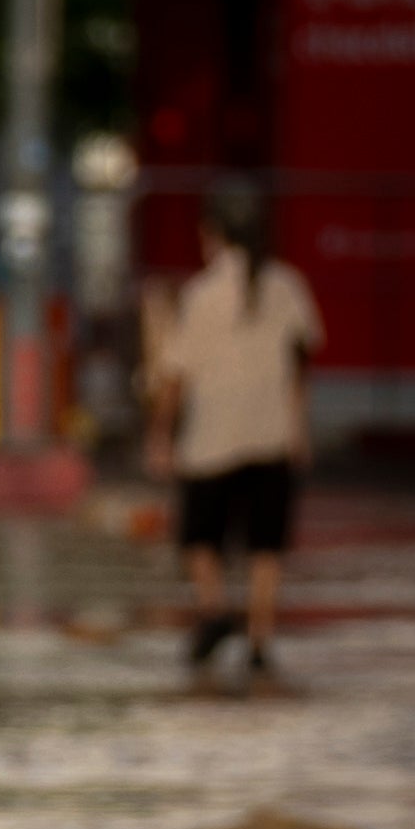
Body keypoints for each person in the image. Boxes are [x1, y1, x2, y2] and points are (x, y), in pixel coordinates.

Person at [146, 183, 324, 689]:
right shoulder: (288, 285)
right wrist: (298, 426)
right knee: (266, 544)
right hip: (272, 434)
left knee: (200, 536)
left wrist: (159, 434)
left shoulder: (201, 295)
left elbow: (174, 376)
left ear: (213, 234)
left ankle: (215, 607)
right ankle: (261, 640)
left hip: (212, 439)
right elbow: (302, 361)